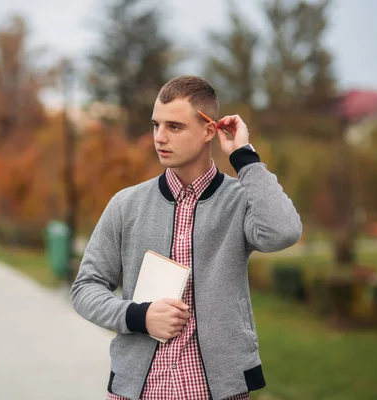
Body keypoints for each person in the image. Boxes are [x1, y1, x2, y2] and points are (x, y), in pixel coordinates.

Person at [70, 75, 302, 400]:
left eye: (174, 127)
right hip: (138, 389)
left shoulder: (239, 201)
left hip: (217, 390)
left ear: (209, 130)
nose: (159, 138)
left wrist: (244, 157)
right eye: (155, 125)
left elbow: (283, 231)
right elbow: (85, 288)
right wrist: (139, 315)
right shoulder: (126, 204)